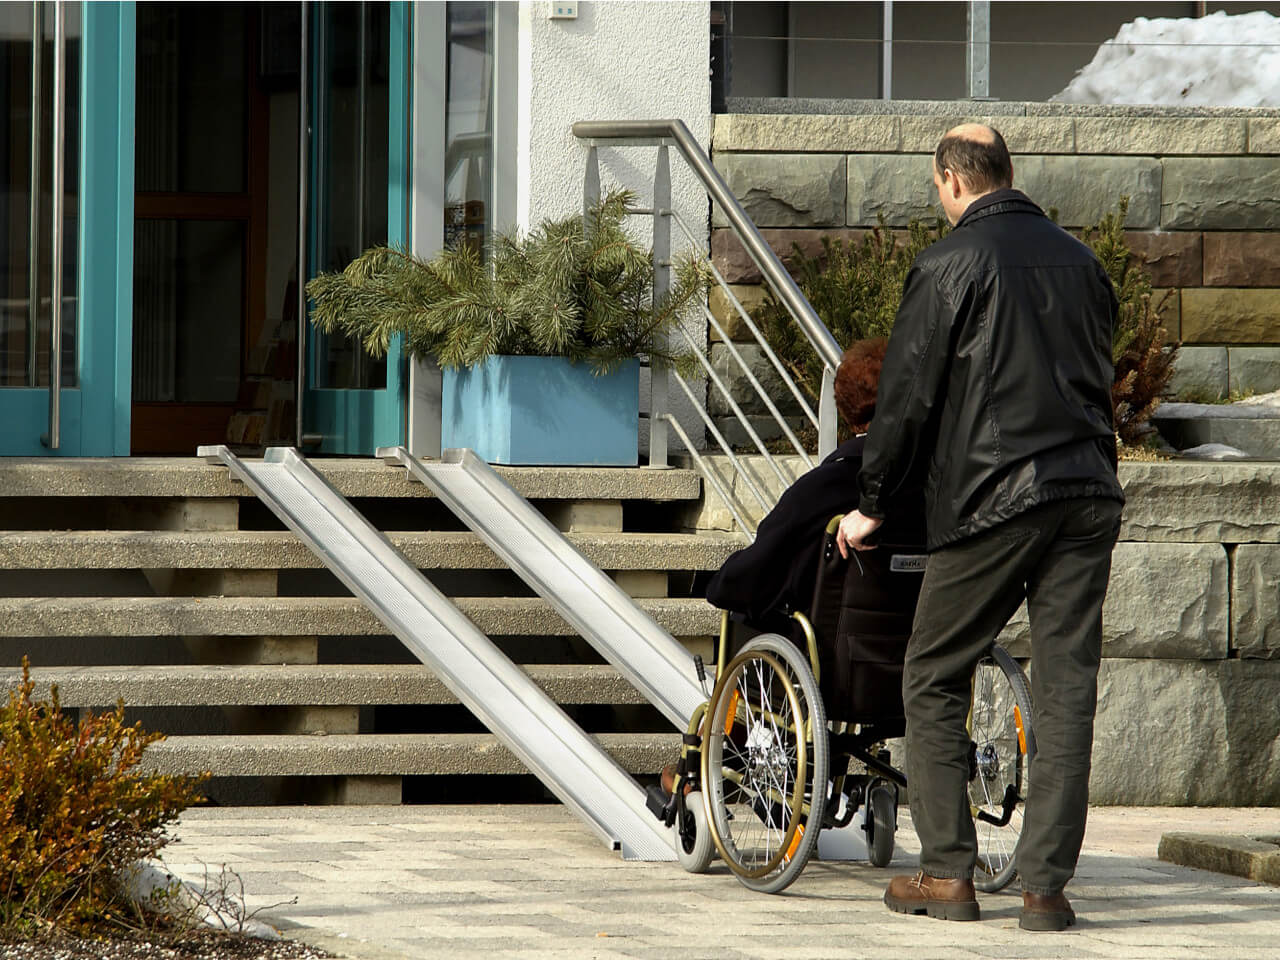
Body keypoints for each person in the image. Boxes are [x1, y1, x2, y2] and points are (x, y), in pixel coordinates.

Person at [836, 124, 1124, 932]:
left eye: (937, 191)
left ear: (953, 183)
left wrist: (874, 501)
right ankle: (1044, 891)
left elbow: (905, 401)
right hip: (1087, 493)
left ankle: (948, 875)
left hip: (996, 497)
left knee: (931, 671)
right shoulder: (1082, 261)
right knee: (1067, 691)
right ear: (1007, 174)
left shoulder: (949, 263)